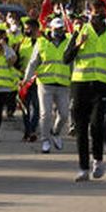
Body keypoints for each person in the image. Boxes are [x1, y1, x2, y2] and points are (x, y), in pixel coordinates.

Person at [65, 0, 106, 181]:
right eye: (95, 11)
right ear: (89, 13)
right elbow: (66, 58)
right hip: (80, 84)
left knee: (96, 125)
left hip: (102, 86)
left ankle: (98, 161)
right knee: (81, 128)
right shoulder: (80, 31)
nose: (98, 15)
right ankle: (83, 168)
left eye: (101, 12)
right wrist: (78, 44)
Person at [23, 17, 73, 153]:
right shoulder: (42, 42)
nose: (59, 31)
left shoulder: (69, 41)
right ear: (50, 28)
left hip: (63, 83)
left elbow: (73, 62)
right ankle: (45, 139)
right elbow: (33, 62)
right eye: (56, 29)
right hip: (45, 83)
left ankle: (55, 132)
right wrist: (26, 79)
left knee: (64, 114)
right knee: (46, 114)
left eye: (61, 28)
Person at [16, 16, 41, 142]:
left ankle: (32, 129)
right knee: (25, 107)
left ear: (35, 28)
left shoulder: (43, 41)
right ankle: (28, 131)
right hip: (24, 80)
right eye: (25, 29)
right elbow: (17, 60)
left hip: (38, 79)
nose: (26, 31)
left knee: (37, 107)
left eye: (28, 28)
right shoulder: (22, 42)